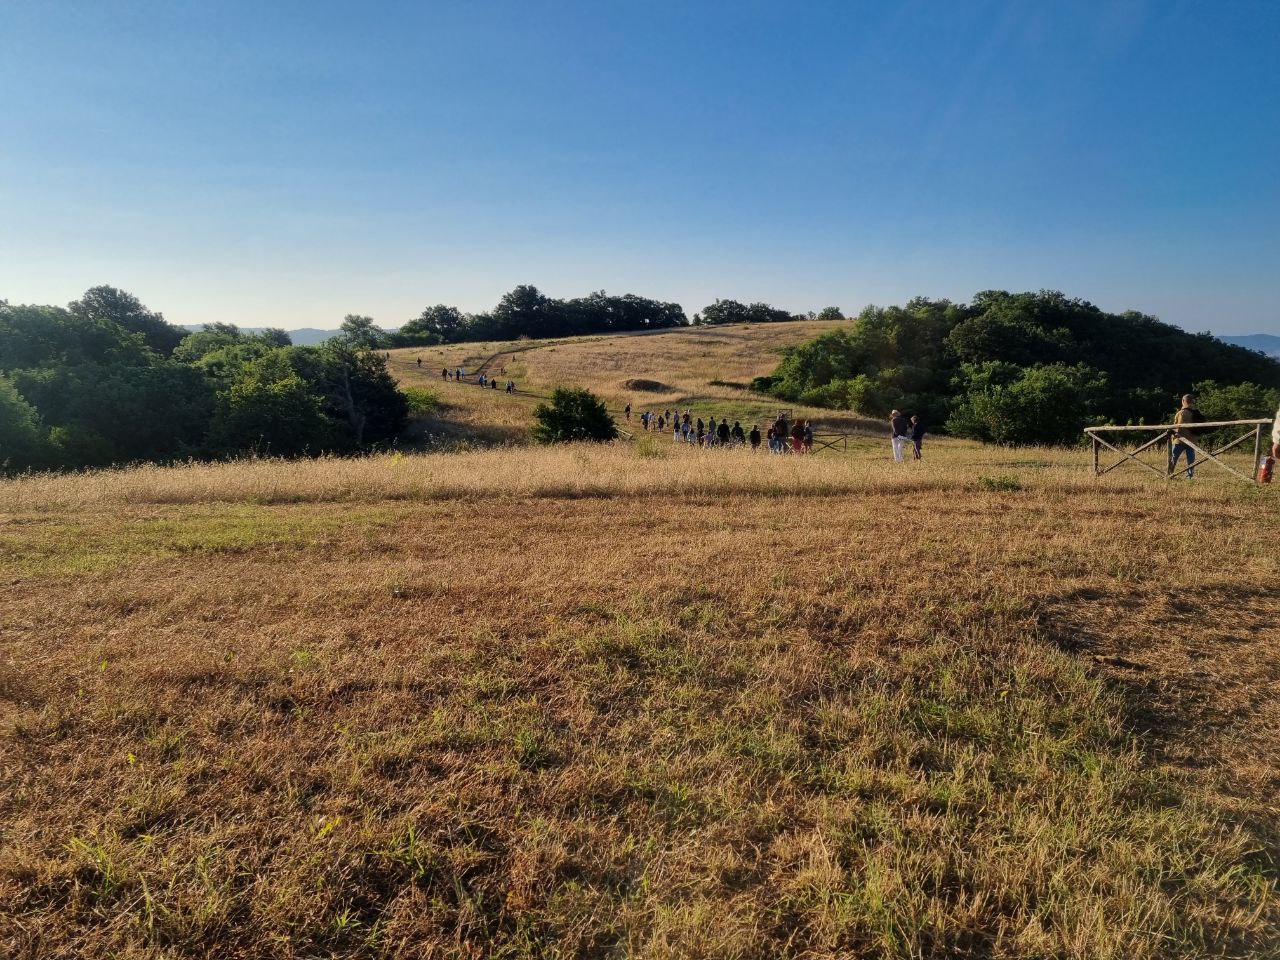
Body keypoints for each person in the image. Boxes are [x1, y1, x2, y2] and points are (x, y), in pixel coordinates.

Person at [1170, 394, 1204, 479]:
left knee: (1173, 458)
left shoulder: (1181, 413)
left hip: (1180, 440)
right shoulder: (1196, 412)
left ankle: (1169, 474)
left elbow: (1177, 426)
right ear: (1192, 401)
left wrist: (1173, 435)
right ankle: (1190, 476)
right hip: (1192, 440)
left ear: (1183, 401)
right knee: (1191, 460)